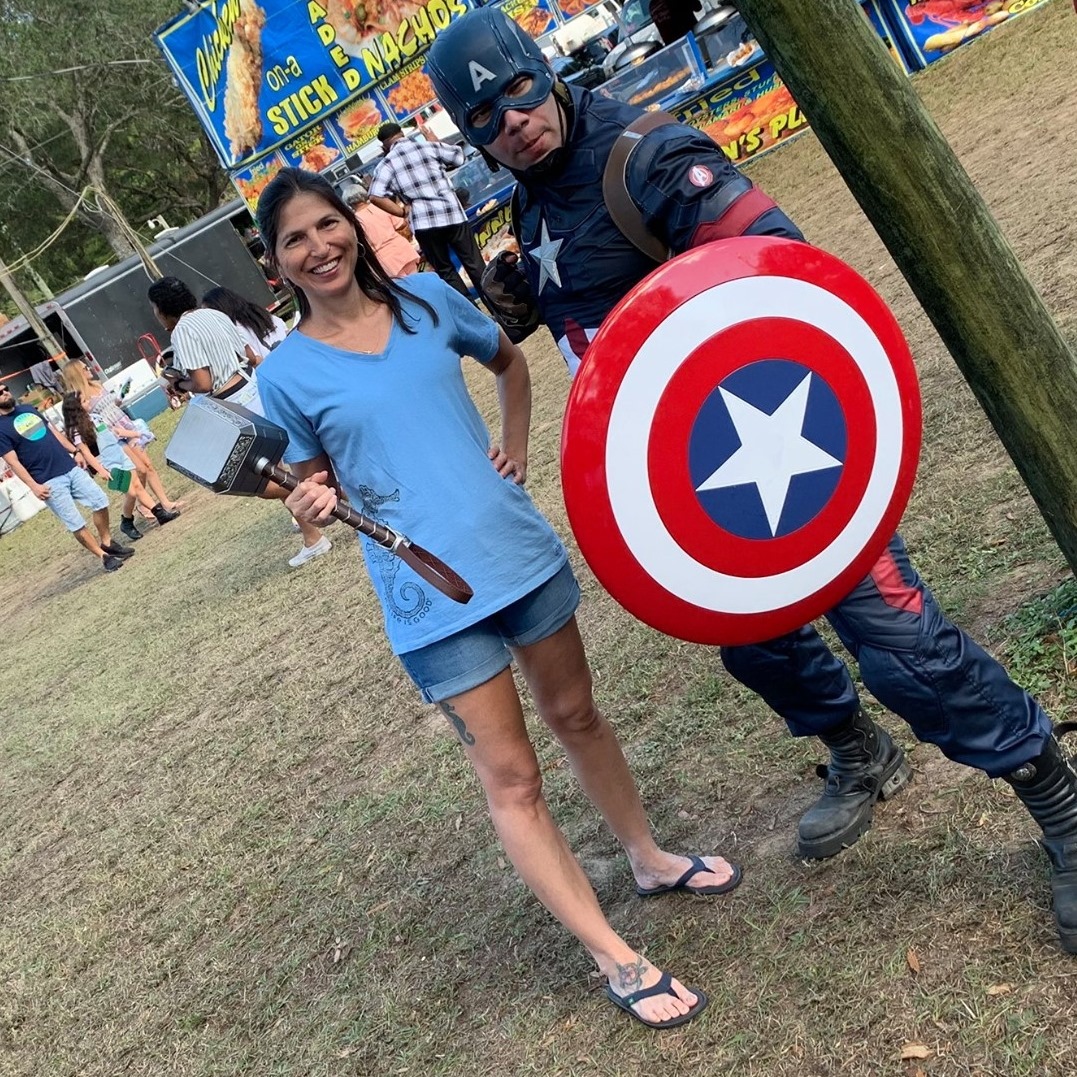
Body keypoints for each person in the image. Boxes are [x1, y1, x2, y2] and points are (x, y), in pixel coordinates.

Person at [426, 7, 1077, 954]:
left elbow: (783, 273)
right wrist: (526, 298)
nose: (512, 122)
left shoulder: (649, 158)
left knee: (902, 641)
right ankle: (858, 749)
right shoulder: (529, 202)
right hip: (691, 488)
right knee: (755, 642)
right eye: (484, 118)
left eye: (519, 92)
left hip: (785, 447)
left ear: (545, 73)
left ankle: (1056, 799)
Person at [254, 166, 742, 1028]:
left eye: (327, 225)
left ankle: (649, 858)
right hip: (429, 595)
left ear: (352, 226)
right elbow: (308, 482)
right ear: (277, 261)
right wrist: (307, 502)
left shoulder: (427, 300)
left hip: (514, 552)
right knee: (511, 777)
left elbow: (508, 361)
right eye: (295, 239)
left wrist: (512, 447)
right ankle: (615, 957)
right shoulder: (287, 373)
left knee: (578, 715)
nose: (318, 247)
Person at [147, 276, 331, 568]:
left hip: (234, 407)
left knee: (263, 481)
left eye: (155, 308)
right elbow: (248, 354)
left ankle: (321, 501)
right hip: (252, 387)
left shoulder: (182, 331)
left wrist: (178, 384)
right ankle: (313, 534)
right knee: (277, 468)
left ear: (163, 308)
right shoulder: (214, 314)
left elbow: (203, 383)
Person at [0, 384, 135, 572]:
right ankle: (103, 556)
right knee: (75, 522)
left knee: (100, 500)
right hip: (46, 480)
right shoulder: (1, 428)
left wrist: (76, 451)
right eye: (0, 392)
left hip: (69, 467)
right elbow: (13, 462)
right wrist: (34, 486)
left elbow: (55, 434)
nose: (5, 392)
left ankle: (106, 541)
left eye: (6, 388)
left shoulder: (29, 410)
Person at [61, 361, 183, 538]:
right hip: (110, 453)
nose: (89, 369)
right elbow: (87, 450)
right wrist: (101, 469)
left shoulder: (95, 409)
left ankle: (150, 513)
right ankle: (137, 516)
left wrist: (135, 432)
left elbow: (112, 426)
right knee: (133, 487)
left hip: (119, 434)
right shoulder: (80, 419)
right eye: (84, 368)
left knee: (141, 475)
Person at [368, 121, 487, 301]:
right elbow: (458, 157)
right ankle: (500, 308)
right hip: (451, 213)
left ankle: (471, 310)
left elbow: (374, 196)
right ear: (402, 134)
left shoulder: (386, 164)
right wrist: (434, 141)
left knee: (446, 271)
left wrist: (402, 212)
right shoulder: (428, 147)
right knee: (474, 263)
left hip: (423, 223)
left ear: (383, 146)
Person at [342, 183, 421, 278]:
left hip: (385, 261)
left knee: (402, 286)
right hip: (402, 249)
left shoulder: (353, 222)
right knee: (417, 280)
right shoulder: (380, 207)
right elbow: (401, 224)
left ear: (348, 203)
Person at [201, 285, 288, 367]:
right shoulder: (259, 312)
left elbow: (256, 361)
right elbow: (286, 330)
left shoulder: (234, 330)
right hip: (290, 353)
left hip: (275, 367)